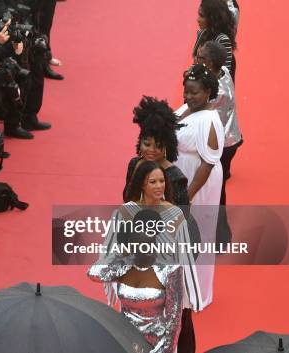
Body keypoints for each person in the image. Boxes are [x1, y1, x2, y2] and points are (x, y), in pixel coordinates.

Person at [89, 161, 201, 353]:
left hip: (163, 285)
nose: (159, 186)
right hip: (132, 279)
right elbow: (110, 251)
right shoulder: (125, 212)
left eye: (161, 181)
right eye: (153, 182)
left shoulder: (175, 214)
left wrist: (185, 293)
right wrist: (126, 262)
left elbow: (183, 255)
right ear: (142, 184)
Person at [174, 64, 224, 310]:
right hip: (180, 177)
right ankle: (177, 288)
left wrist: (186, 196)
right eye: (186, 91)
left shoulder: (211, 121)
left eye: (194, 93)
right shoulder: (186, 108)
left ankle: (194, 294)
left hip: (198, 183)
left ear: (207, 92)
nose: (188, 97)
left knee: (197, 234)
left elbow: (207, 165)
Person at [196, 41, 242, 246]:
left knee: (217, 192)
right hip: (229, 139)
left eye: (201, 58)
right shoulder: (221, 70)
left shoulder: (217, 92)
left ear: (211, 63)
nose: (197, 60)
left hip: (224, 146)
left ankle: (222, 239)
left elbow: (197, 112)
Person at [192, 0, 237, 82]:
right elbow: (195, 64)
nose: (198, 19)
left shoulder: (223, 40)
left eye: (202, 16)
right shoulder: (201, 34)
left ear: (212, 18)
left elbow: (223, 76)